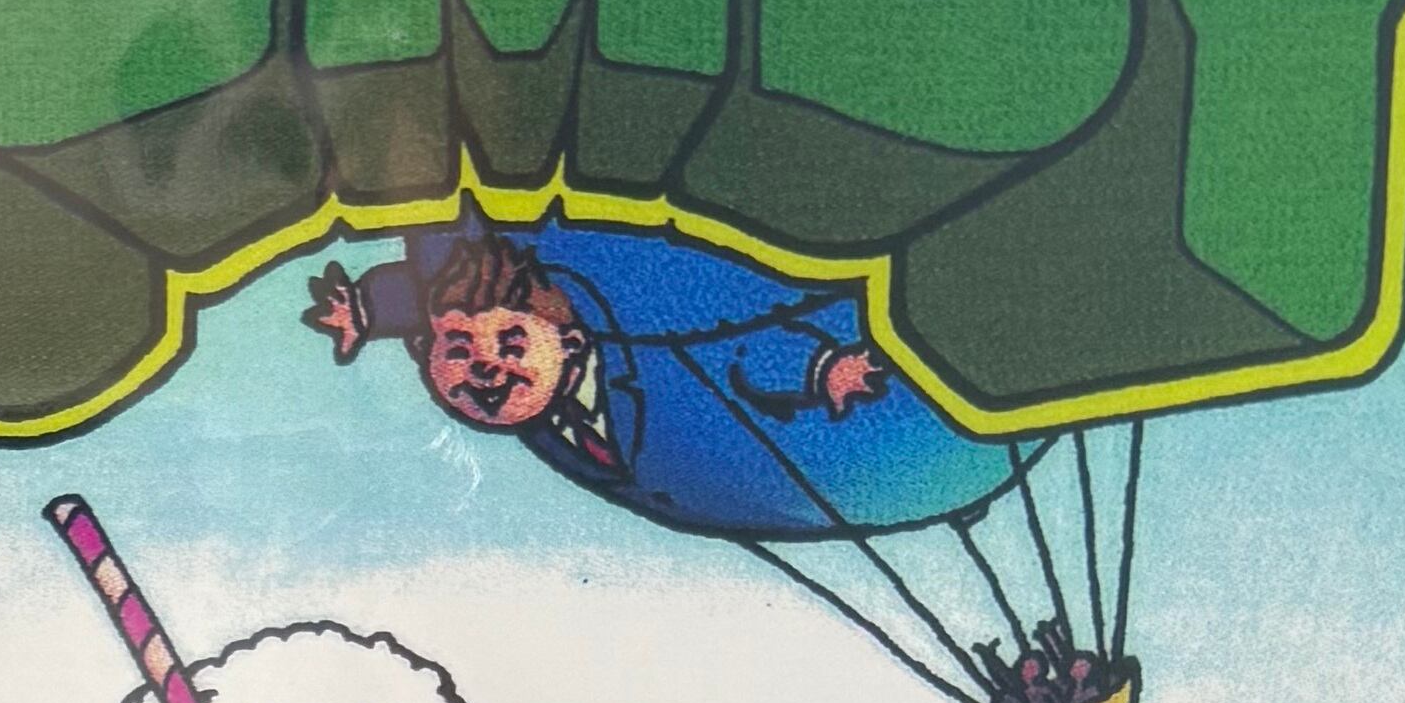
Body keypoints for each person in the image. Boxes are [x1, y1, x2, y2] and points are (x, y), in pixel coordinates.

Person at [305, 212, 968, 547]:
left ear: (567, 343)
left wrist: (821, 370)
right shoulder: (551, 376)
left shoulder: (657, 356)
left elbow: (744, 353)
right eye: (456, 349)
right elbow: (436, 292)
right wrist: (366, 309)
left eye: (511, 344)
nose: (487, 369)